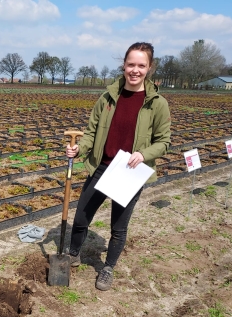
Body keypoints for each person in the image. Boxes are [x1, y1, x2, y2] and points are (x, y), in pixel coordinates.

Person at [65, 42, 171, 291]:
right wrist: (79, 149)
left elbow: (164, 142)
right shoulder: (108, 97)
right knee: (81, 217)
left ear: (149, 68)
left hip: (129, 172)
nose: (135, 70)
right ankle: (73, 253)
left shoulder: (157, 103)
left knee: (118, 227)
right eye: (131, 64)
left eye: (141, 65)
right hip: (101, 167)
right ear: (124, 65)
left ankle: (108, 268)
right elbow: (91, 133)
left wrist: (144, 154)